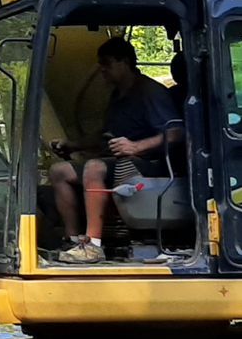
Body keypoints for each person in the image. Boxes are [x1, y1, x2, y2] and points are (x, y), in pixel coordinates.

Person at [46, 37, 182, 264]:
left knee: (94, 167)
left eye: (106, 63)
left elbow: (177, 132)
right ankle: (73, 241)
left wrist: (136, 146)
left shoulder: (150, 92)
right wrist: (72, 144)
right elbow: (106, 136)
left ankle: (93, 245)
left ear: (124, 62)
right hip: (119, 161)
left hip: (150, 163)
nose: (102, 70)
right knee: (59, 171)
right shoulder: (118, 95)